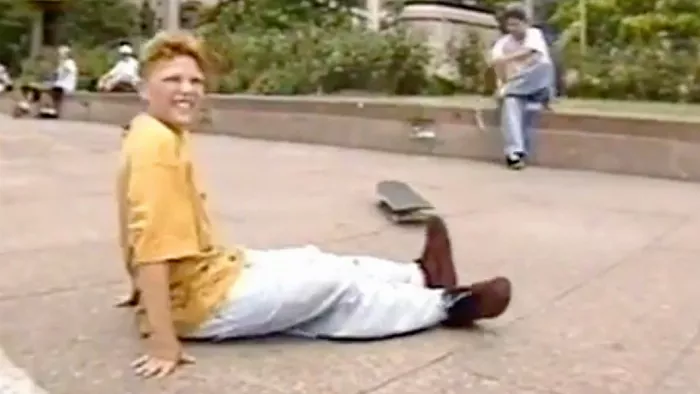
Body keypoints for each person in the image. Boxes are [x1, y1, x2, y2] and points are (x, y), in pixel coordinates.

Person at [116, 31, 512, 379]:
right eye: (172, 80)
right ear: (143, 87)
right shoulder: (157, 146)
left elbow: (128, 221)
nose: (186, 90)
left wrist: (137, 290)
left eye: (195, 81)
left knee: (313, 260)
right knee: (329, 289)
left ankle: (419, 274)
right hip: (200, 305)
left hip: (213, 269)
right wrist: (163, 342)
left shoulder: (150, 130)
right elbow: (153, 245)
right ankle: (447, 305)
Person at [489, 5, 554, 170]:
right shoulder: (502, 44)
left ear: (525, 23)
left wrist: (506, 60)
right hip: (517, 90)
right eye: (509, 25)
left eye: (516, 24)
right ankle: (514, 153)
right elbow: (497, 66)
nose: (513, 29)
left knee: (544, 65)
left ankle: (510, 89)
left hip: (538, 86)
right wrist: (503, 82)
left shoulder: (534, 34)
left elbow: (530, 52)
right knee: (510, 103)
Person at [14, 45, 78, 119]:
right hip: (58, 85)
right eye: (60, 53)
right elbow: (55, 76)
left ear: (66, 54)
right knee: (36, 89)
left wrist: (52, 79)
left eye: (61, 53)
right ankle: (26, 105)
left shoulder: (69, 63)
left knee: (42, 89)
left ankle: (43, 109)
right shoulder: (62, 63)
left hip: (64, 86)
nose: (60, 55)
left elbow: (64, 73)